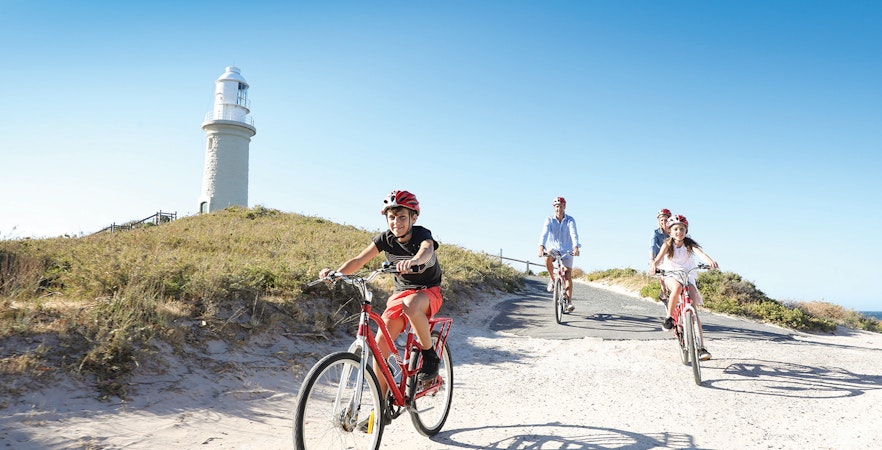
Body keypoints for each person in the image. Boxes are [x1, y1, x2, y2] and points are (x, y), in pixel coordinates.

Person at [319, 190, 442, 422]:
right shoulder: (385, 239)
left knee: (410, 304)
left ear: (413, 218)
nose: (396, 222)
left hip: (428, 290)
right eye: (392, 218)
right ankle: (382, 405)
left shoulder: (422, 235)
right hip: (401, 293)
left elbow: (427, 250)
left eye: (402, 217)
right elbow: (358, 260)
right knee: (380, 344)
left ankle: (430, 355)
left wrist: (415, 261)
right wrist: (336, 273)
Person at [649, 214, 718, 360]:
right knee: (677, 288)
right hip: (671, 275)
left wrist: (711, 261)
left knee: (694, 312)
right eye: (675, 229)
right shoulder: (668, 244)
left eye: (682, 229)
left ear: (685, 231)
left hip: (688, 276)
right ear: (670, 231)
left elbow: (701, 253)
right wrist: (654, 266)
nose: (679, 232)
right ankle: (669, 319)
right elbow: (659, 258)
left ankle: (701, 347)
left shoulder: (689, 244)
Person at [538, 196, 582, 312]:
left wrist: (575, 247)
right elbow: (544, 234)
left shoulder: (570, 220)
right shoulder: (549, 220)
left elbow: (574, 234)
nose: (559, 209)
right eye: (557, 207)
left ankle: (569, 302)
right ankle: (553, 280)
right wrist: (541, 246)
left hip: (567, 250)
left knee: (567, 274)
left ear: (564, 207)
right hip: (553, 249)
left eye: (561, 206)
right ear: (554, 208)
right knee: (547, 258)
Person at [650, 208, 672, 302]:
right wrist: (652, 260)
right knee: (663, 271)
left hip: (673, 257)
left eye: (666, 220)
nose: (663, 222)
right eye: (661, 220)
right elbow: (652, 246)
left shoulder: (674, 231)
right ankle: (664, 292)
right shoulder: (656, 233)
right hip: (660, 258)